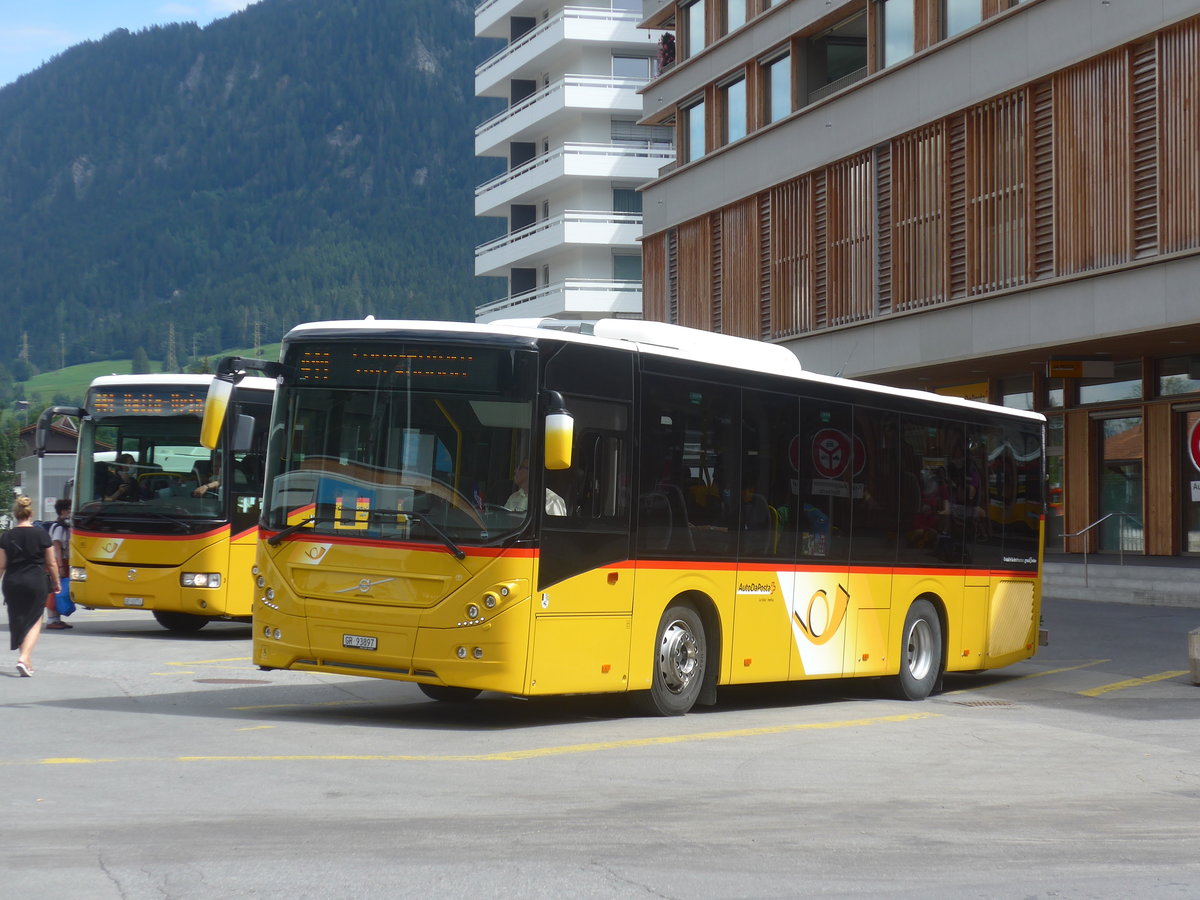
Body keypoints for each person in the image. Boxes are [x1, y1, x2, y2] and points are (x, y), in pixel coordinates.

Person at [2, 495, 60, 677]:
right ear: (31, 513)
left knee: (18, 619)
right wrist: (56, 582)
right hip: (36, 581)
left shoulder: (7, 536)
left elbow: (1, 565)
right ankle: (24, 658)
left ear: (15, 514)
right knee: (35, 620)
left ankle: (26, 661)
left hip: (12, 582)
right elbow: (51, 563)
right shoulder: (41, 534)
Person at [44, 498, 73, 630]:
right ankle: (51, 620)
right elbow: (57, 548)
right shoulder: (59, 527)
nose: (71, 512)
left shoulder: (65, 526)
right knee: (54, 589)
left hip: (62, 562)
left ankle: (57, 619)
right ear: (62, 511)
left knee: (60, 590)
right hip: (57, 562)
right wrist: (60, 566)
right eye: (69, 509)